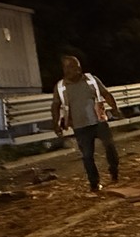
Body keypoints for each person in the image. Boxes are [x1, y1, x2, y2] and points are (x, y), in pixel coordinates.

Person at [51, 56, 123, 192]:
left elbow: (106, 94)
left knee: (110, 146)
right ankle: (94, 183)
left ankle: (114, 171)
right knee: (87, 156)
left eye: (71, 67)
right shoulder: (60, 87)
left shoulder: (91, 80)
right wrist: (56, 124)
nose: (68, 70)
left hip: (99, 120)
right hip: (80, 126)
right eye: (65, 67)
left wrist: (114, 109)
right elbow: (55, 106)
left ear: (79, 68)